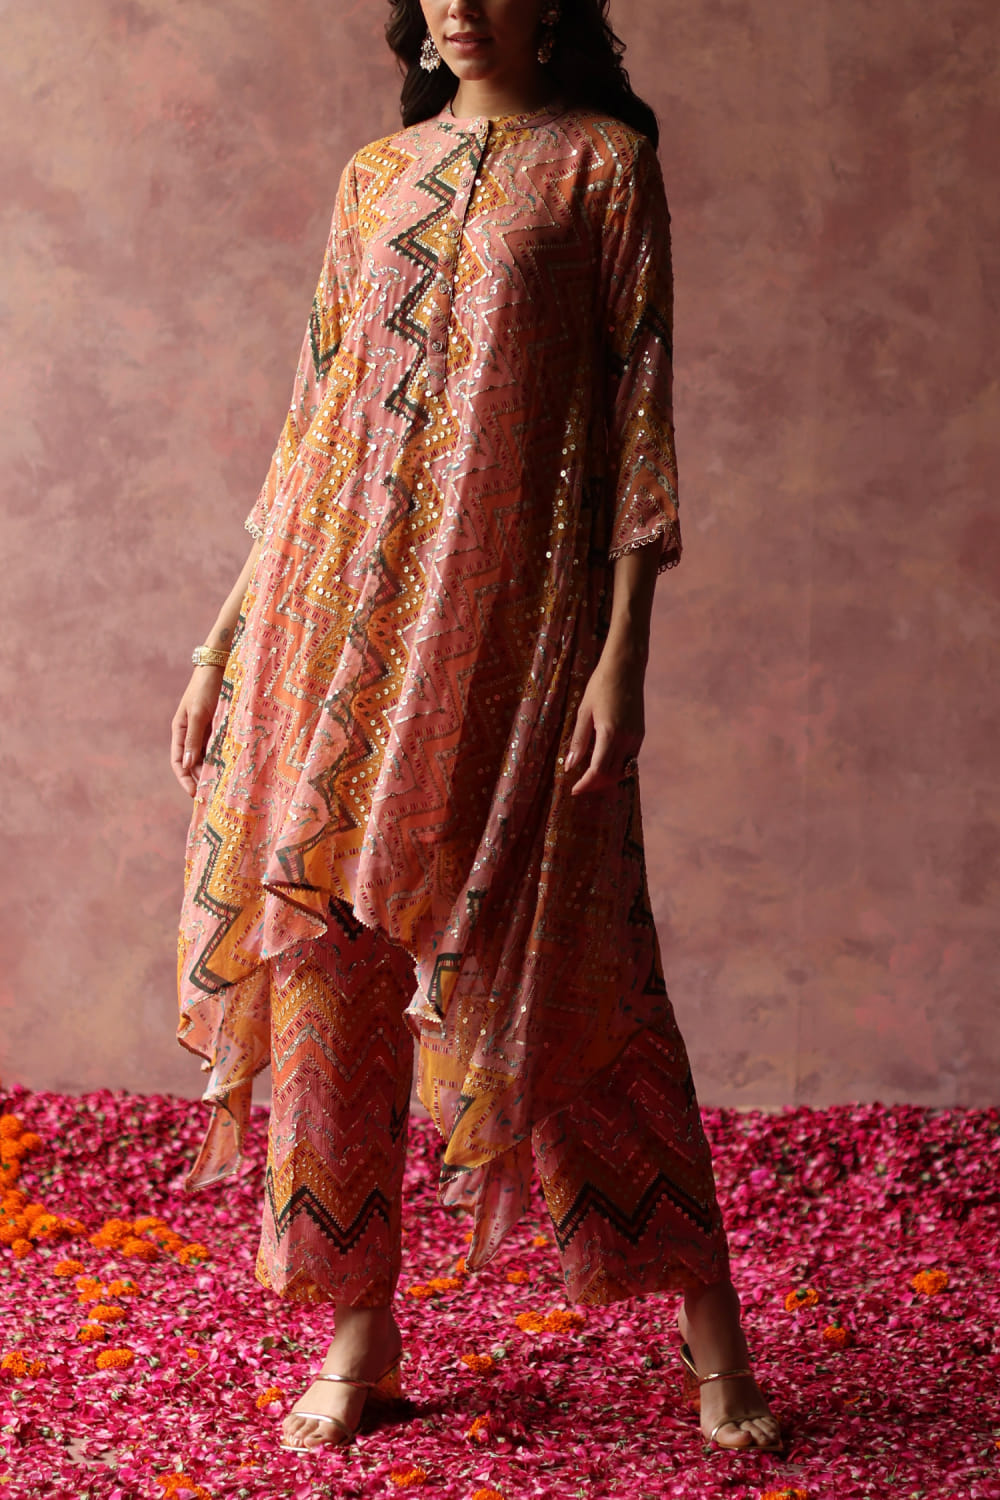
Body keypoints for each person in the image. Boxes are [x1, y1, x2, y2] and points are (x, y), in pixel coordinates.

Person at [169, 0, 783, 1459]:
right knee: (329, 960)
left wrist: (622, 657)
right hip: (331, 626)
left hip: (513, 628)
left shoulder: (602, 167)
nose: (458, 1)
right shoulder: (373, 178)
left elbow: (638, 420)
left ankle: (713, 1336)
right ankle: (359, 1332)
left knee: (570, 962)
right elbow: (315, 415)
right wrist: (225, 635)